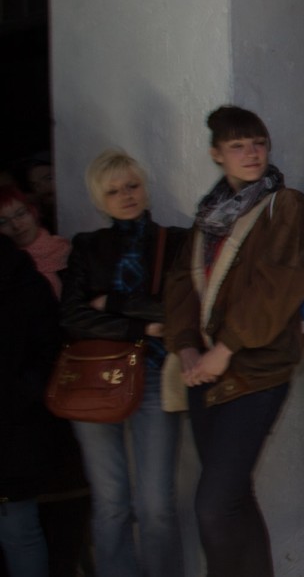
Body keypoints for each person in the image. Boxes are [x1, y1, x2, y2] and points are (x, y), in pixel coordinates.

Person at [164, 105, 304, 577]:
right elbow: (181, 284)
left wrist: (224, 348)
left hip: (257, 369)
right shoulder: (209, 214)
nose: (252, 154)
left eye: (258, 144)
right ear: (217, 154)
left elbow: (279, 286)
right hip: (205, 372)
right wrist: (187, 347)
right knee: (233, 499)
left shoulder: (285, 205)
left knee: (214, 507)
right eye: (238, 146)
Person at [60, 149, 187, 577]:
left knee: (156, 505)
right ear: (101, 199)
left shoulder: (176, 241)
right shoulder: (87, 246)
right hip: (94, 379)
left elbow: (179, 310)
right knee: (111, 501)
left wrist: (112, 303)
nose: (126, 196)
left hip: (153, 376)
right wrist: (140, 327)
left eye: (132, 186)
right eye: (113, 191)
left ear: (145, 188)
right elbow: (73, 316)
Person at [0, 234, 61, 577]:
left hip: (12, 432)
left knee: (18, 532)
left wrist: (19, 397)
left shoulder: (20, 279)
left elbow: (49, 350)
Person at [0, 185, 70, 298]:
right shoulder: (6, 270)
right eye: (3, 222)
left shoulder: (65, 250)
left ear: (33, 212)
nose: (16, 225)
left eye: (21, 214)